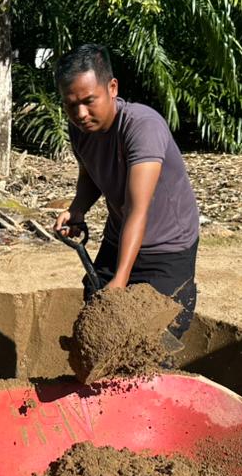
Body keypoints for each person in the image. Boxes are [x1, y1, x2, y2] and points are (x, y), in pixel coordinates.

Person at [52, 44, 199, 336]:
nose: (80, 113)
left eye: (89, 101)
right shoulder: (81, 129)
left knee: (156, 337)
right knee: (97, 320)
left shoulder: (142, 127)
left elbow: (137, 210)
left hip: (166, 247)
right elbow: (90, 175)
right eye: (71, 105)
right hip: (119, 236)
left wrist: (121, 279)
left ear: (112, 88)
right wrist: (77, 209)